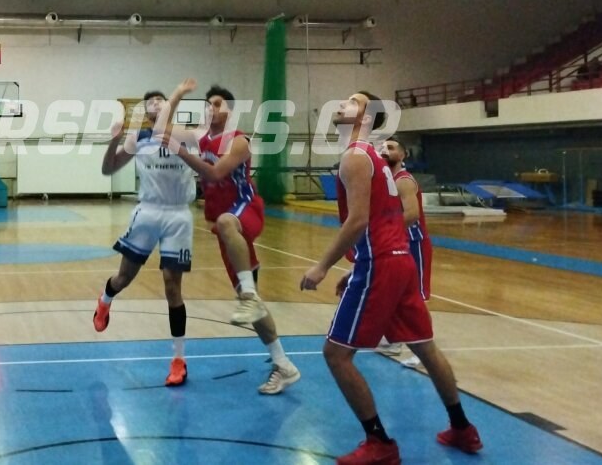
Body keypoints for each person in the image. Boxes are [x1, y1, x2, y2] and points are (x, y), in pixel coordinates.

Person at [301, 92, 482, 464]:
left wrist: (322, 266)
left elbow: (358, 221)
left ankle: (379, 442)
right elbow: (384, 221)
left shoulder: (355, 156)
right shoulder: (375, 159)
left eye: (352, 102)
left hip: (381, 264)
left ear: (367, 117)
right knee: (425, 347)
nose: (341, 105)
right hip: (399, 260)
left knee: (336, 355)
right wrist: (360, 265)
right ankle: (463, 428)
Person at [162, 85, 301, 395]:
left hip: (246, 210)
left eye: (217, 104)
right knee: (253, 308)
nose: (210, 108)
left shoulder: (239, 141)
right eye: (207, 104)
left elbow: (214, 174)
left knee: (226, 222)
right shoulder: (200, 136)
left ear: (230, 111)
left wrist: (181, 152)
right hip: (227, 232)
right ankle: (283, 364)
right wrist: (178, 94)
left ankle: (248, 295)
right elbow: (163, 128)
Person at [95, 79, 196, 386]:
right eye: (150, 101)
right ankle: (105, 300)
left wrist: (176, 95)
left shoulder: (186, 135)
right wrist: (113, 141)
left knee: (172, 287)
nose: (155, 104)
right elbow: (108, 169)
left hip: (178, 214)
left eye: (160, 100)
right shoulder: (138, 138)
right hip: (148, 212)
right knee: (123, 278)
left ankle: (178, 360)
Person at [375, 138, 431, 364]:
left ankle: (423, 351)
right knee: (395, 293)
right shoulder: (386, 181)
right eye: (382, 148)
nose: (385, 151)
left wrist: (387, 231)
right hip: (398, 245)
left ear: (403, 154)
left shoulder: (404, 181)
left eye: (391, 148)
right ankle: (395, 341)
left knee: (416, 297)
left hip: (414, 243)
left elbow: (412, 214)